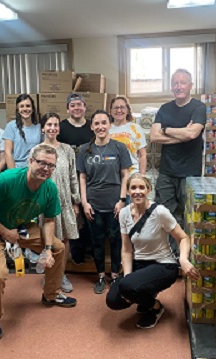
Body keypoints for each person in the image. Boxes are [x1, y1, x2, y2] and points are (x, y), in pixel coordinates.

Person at [0, 144, 77, 341]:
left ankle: (51, 294)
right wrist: (5, 233)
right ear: (31, 161)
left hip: (20, 226)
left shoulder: (49, 187)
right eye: (41, 163)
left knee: (58, 248)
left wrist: (46, 250)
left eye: (51, 165)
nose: (46, 168)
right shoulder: (7, 180)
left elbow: (48, 220)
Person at [106, 173, 201, 329]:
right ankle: (145, 294)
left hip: (163, 265)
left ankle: (156, 307)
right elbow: (127, 248)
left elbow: (183, 238)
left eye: (142, 187)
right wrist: (128, 279)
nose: (138, 191)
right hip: (140, 264)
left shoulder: (160, 212)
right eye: (133, 188)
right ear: (128, 192)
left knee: (128, 287)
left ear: (148, 190)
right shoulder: (124, 214)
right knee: (113, 300)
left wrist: (183, 259)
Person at [77, 110, 132, 294]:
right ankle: (100, 275)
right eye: (97, 123)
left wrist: (122, 200)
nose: (100, 126)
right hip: (93, 204)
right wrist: (84, 202)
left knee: (117, 240)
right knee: (97, 241)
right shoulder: (84, 149)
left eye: (104, 122)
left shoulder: (119, 148)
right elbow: (82, 178)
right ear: (92, 126)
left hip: (116, 204)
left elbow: (125, 175)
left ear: (110, 125)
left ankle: (115, 275)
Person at [150, 69, 206, 229]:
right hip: (166, 173)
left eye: (182, 83)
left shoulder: (199, 108)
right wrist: (182, 134)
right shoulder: (164, 108)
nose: (178, 87)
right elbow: (154, 137)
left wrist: (167, 129)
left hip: (190, 174)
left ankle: (185, 254)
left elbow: (192, 134)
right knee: (165, 217)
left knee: (189, 217)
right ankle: (170, 253)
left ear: (190, 86)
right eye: (175, 83)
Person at [40, 112, 80, 293]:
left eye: (55, 125)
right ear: (43, 127)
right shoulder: (36, 151)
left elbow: (73, 177)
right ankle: (49, 275)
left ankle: (61, 274)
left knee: (64, 240)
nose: (52, 128)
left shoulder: (67, 150)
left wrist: (75, 201)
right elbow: (31, 179)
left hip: (64, 202)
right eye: (49, 124)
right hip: (45, 203)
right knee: (48, 240)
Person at [56, 92, 94, 265]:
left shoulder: (92, 127)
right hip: (68, 178)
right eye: (73, 105)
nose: (77, 108)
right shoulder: (61, 128)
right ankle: (76, 252)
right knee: (73, 215)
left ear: (85, 107)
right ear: (68, 109)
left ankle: (91, 250)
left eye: (80, 105)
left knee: (89, 214)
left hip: (90, 177)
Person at [109, 95, 147, 175]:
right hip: (112, 173)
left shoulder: (135, 128)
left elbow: (142, 155)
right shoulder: (106, 128)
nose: (119, 110)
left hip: (132, 172)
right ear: (111, 111)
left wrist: (142, 177)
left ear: (128, 110)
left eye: (122, 107)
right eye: (116, 108)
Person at [2, 94, 41, 169]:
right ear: (18, 109)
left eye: (28, 106)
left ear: (32, 109)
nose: (25, 109)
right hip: (17, 169)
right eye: (22, 106)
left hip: (35, 169)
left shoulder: (39, 127)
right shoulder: (11, 126)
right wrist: (13, 174)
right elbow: (8, 153)